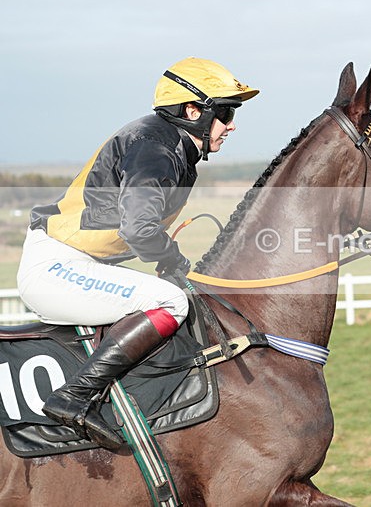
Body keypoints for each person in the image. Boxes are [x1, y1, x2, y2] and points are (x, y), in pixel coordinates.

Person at [16, 57, 259, 449]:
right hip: (57, 268)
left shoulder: (169, 145)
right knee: (171, 300)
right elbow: (138, 227)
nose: (231, 125)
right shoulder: (156, 147)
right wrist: (171, 260)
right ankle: (74, 397)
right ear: (192, 111)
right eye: (225, 112)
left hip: (74, 263)